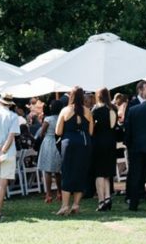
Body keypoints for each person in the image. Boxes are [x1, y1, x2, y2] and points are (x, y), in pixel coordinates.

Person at [54, 87, 93, 215]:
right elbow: (91, 131)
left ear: (71, 96)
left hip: (69, 143)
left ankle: (65, 205)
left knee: (67, 172)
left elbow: (58, 131)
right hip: (84, 143)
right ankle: (76, 204)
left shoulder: (65, 110)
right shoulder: (88, 111)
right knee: (81, 172)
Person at [88, 87, 118, 211]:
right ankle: (107, 198)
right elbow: (114, 126)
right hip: (111, 142)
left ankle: (101, 200)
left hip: (98, 142)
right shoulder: (113, 108)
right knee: (107, 172)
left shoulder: (95, 110)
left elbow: (91, 129)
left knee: (99, 173)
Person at [37, 99, 64, 203]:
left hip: (48, 143)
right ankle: (59, 192)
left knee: (48, 171)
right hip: (58, 142)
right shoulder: (62, 118)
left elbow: (41, 133)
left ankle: (48, 194)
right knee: (58, 171)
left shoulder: (48, 119)